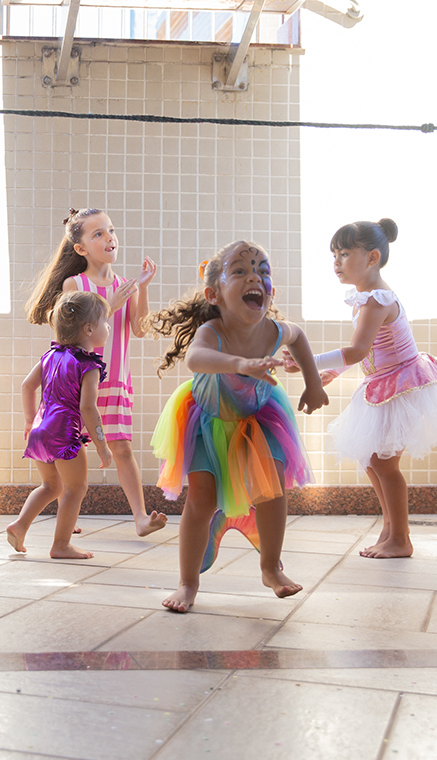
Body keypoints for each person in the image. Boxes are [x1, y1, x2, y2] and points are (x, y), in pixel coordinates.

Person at [148, 241, 328, 612]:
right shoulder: (212, 330)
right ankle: (187, 583)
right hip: (208, 421)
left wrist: (314, 384)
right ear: (214, 294)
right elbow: (196, 359)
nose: (255, 277)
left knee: (273, 491)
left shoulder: (276, 330)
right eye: (242, 271)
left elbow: (300, 338)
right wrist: (240, 364)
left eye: (263, 270)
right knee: (201, 501)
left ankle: (270, 567)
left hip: (259, 420)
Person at [289, 218, 437, 559]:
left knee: (384, 465)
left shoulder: (378, 300)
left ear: (372, 258)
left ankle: (401, 539)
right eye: (334, 254)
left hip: (401, 385)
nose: (336, 262)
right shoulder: (365, 299)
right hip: (383, 384)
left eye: (344, 254)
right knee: (373, 462)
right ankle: (390, 530)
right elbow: (366, 349)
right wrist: (335, 372)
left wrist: (309, 361)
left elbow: (359, 350)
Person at [23, 207, 167, 537]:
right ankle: (67, 518)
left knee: (122, 449)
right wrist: (111, 304)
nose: (109, 238)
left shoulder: (122, 284)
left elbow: (139, 329)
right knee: (72, 450)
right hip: (79, 382)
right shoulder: (76, 282)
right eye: (98, 234)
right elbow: (73, 333)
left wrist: (142, 288)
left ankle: (141, 518)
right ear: (81, 249)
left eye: (111, 231)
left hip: (115, 380)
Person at [7, 290, 113, 559]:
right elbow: (87, 408)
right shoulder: (88, 365)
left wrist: (31, 420)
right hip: (64, 435)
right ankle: (61, 545)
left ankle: (19, 526)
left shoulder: (50, 356)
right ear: (89, 329)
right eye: (105, 322)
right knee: (76, 489)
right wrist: (102, 446)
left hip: (40, 432)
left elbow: (26, 386)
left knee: (51, 487)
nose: (108, 327)